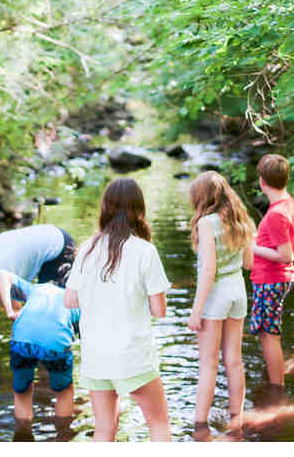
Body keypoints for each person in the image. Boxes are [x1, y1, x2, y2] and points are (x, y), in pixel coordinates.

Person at [63, 178, 172, 442]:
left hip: (96, 355)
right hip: (133, 355)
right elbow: (159, 311)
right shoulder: (145, 251)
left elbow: (70, 300)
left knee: (104, 430)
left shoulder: (87, 248)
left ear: (105, 208)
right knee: (158, 425)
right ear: (139, 210)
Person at [187, 171, 255, 441]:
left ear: (201, 198)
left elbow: (209, 270)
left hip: (216, 295)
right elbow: (249, 263)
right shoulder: (240, 217)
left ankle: (199, 427)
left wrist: (196, 310)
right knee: (234, 361)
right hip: (238, 290)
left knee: (208, 365)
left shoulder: (206, 223)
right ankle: (236, 422)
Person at [0, 269, 79, 442]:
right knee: (64, 391)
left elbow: (1, 274)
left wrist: (10, 311)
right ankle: (63, 435)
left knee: (22, 391)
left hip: (21, 338)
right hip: (55, 343)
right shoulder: (76, 300)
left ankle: (23, 436)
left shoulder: (36, 289)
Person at [250, 154, 294, 388]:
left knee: (269, 335)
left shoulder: (276, 214)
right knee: (266, 331)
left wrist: (252, 247)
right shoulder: (288, 203)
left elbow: (286, 255)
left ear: (262, 182)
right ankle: (273, 381)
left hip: (271, 278)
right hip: (275, 278)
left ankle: (276, 389)